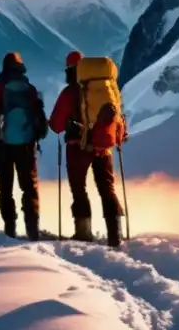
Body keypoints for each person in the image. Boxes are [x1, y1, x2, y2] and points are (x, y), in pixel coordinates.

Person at [49, 51, 127, 247]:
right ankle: (115, 235)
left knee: (79, 189)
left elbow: (56, 124)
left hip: (78, 147)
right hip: (103, 147)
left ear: (69, 70)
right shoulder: (107, 88)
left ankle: (83, 233)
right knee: (107, 189)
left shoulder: (69, 93)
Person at [0, 52, 47, 241]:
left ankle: (10, 229)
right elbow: (39, 118)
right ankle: (32, 229)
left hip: (3, 145)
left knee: (6, 188)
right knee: (29, 188)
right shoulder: (30, 89)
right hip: (27, 145)